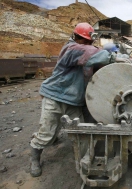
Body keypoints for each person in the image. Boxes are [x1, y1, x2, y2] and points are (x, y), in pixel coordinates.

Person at [30, 22, 118, 177]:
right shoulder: (71, 49)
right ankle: (34, 159)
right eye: (88, 40)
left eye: (91, 42)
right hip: (55, 96)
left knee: (80, 133)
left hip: (74, 101)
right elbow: (95, 55)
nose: (90, 43)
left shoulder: (86, 52)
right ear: (78, 38)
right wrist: (111, 53)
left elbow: (100, 66)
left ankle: (85, 159)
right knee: (46, 133)